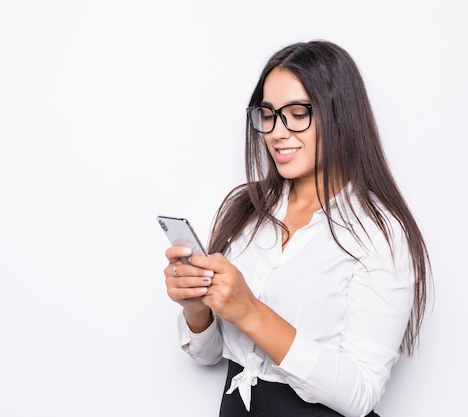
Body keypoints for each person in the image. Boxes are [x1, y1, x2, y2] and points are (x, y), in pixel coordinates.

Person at [162, 39, 431, 417]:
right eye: (268, 114)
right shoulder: (248, 210)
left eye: (297, 113)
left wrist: (250, 311)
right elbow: (209, 355)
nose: (276, 132)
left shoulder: (380, 233)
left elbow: (361, 395)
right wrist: (196, 310)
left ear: (340, 115)